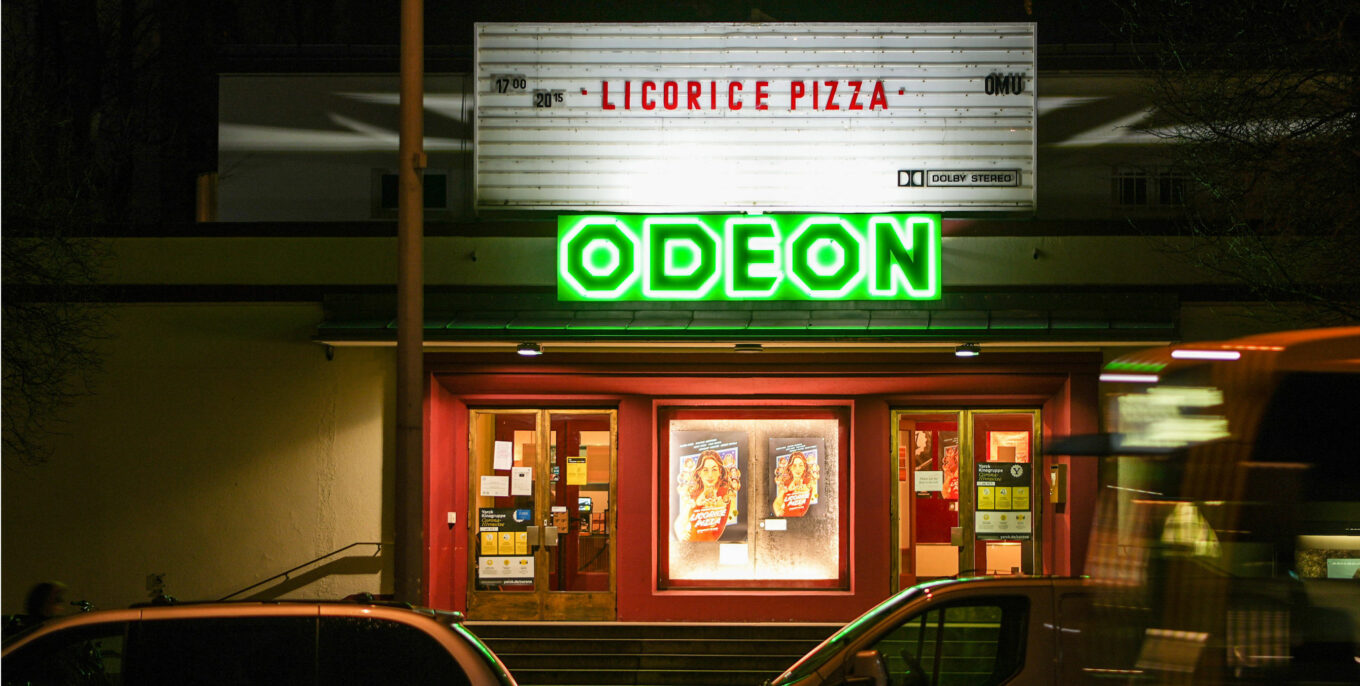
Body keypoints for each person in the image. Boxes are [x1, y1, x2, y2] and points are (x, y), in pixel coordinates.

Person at [675, 450, 740, 541]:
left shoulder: (726, 493)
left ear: (720, 472)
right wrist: (682, 535)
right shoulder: (694, 496)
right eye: (705, 470)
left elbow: (731, 518)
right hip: (693, 545)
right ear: (699, 473)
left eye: (714, 469)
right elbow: (679, 524)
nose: (710, 475)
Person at [774, 451, 818, 517]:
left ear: (804, 467)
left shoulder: (810, 484)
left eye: (801, 465)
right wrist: (779, 513)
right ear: (790, 468)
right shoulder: (786, 486)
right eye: (794, 466)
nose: (798, 469)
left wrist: (806, 492)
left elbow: (815, 497)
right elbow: (776, 504)